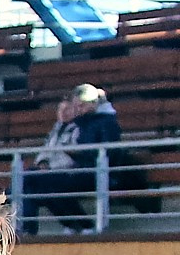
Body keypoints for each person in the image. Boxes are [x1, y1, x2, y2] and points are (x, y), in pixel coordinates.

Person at [23, 82, 121, 233]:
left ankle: (82, 225)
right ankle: (74, 225)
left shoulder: (106, 122)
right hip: (81, 168)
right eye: (77, 106)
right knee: (36, 183)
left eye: (82, 105)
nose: (79, 109)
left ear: (93, 104)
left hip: (97, 171)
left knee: (43, 183)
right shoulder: (82, 122)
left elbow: (108, 153)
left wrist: (80, 154)